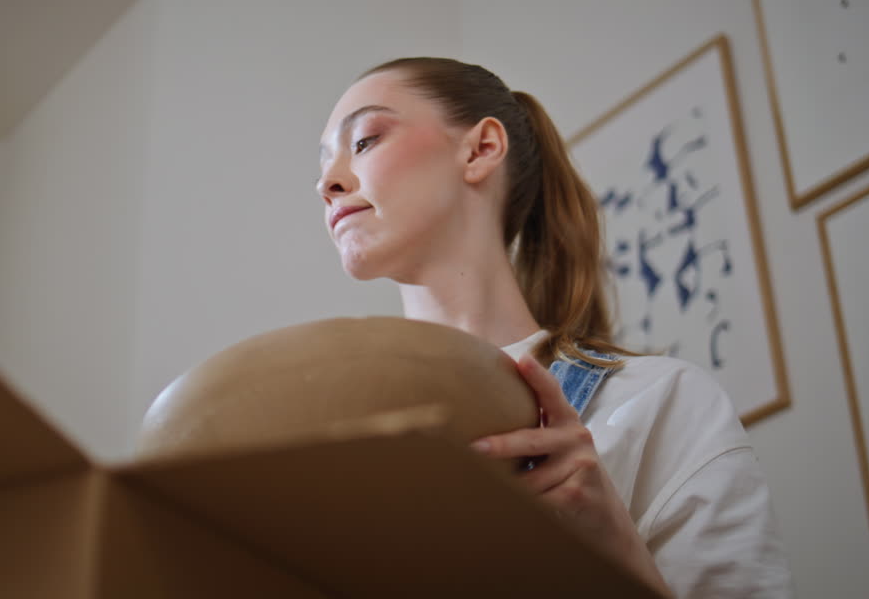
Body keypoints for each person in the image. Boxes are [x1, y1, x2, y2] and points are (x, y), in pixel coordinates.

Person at [315, 58, 792, 598]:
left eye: (364, 141)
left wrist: (616, 556)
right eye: (324, 164)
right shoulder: (336, 459)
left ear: (480, 149)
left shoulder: (664, 405)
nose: (327, 183)